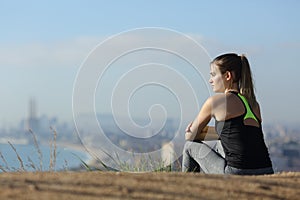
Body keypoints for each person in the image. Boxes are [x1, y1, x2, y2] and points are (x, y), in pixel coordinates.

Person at [182, 53, 274, 175]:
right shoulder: (253, 104)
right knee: (221, 143)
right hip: (266, 170)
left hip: (237, 172)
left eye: (213, 75)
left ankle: (186, 191)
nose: (210, 80)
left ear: (227, 76)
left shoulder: (215, 102)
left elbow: (190, 136)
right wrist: (213, 133)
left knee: (189, 147)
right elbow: (239, 133)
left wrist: (199, 131)